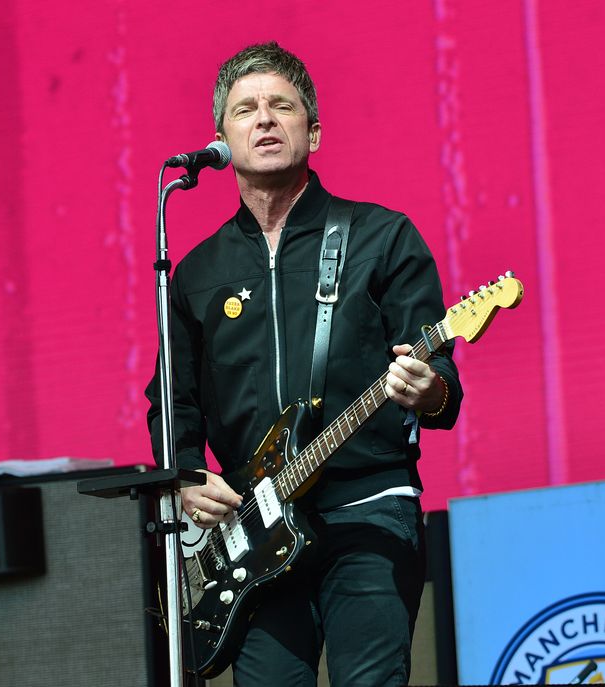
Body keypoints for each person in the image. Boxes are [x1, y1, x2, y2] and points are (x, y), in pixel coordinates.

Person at [146, 42, 462, 687]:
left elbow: (441, 382)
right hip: (252, 535)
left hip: (368, 508)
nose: (264, 120)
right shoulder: (197, 274)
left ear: (312, 131)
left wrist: (428, 390)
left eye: (281, 107)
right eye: (246, 110)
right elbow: (172, 398)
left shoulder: (381, 237)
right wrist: (181, 478)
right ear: (220, 139)